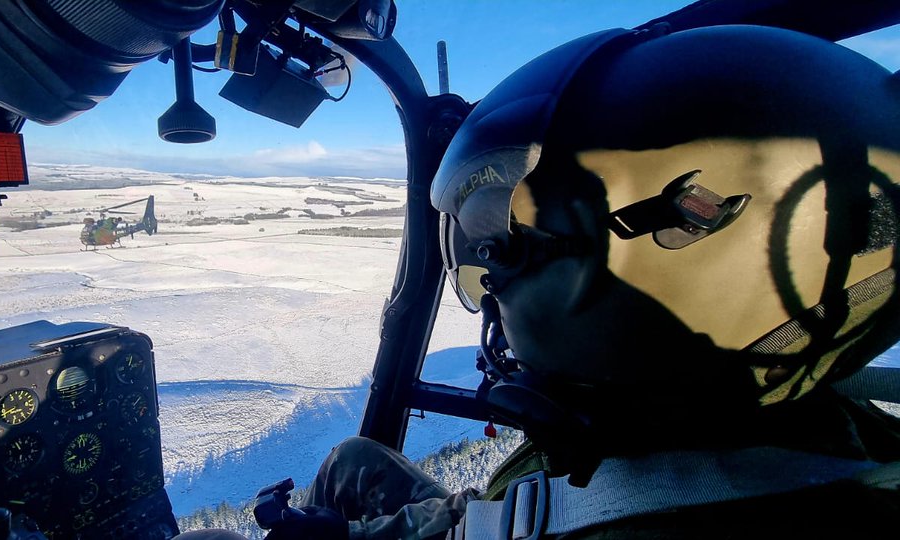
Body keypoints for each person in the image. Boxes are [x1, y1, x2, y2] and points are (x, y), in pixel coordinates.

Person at [179, 22, 900, 540]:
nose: (492, 278)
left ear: (690, 229)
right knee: (354, 460)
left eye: (509, 244)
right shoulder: (753, 410)